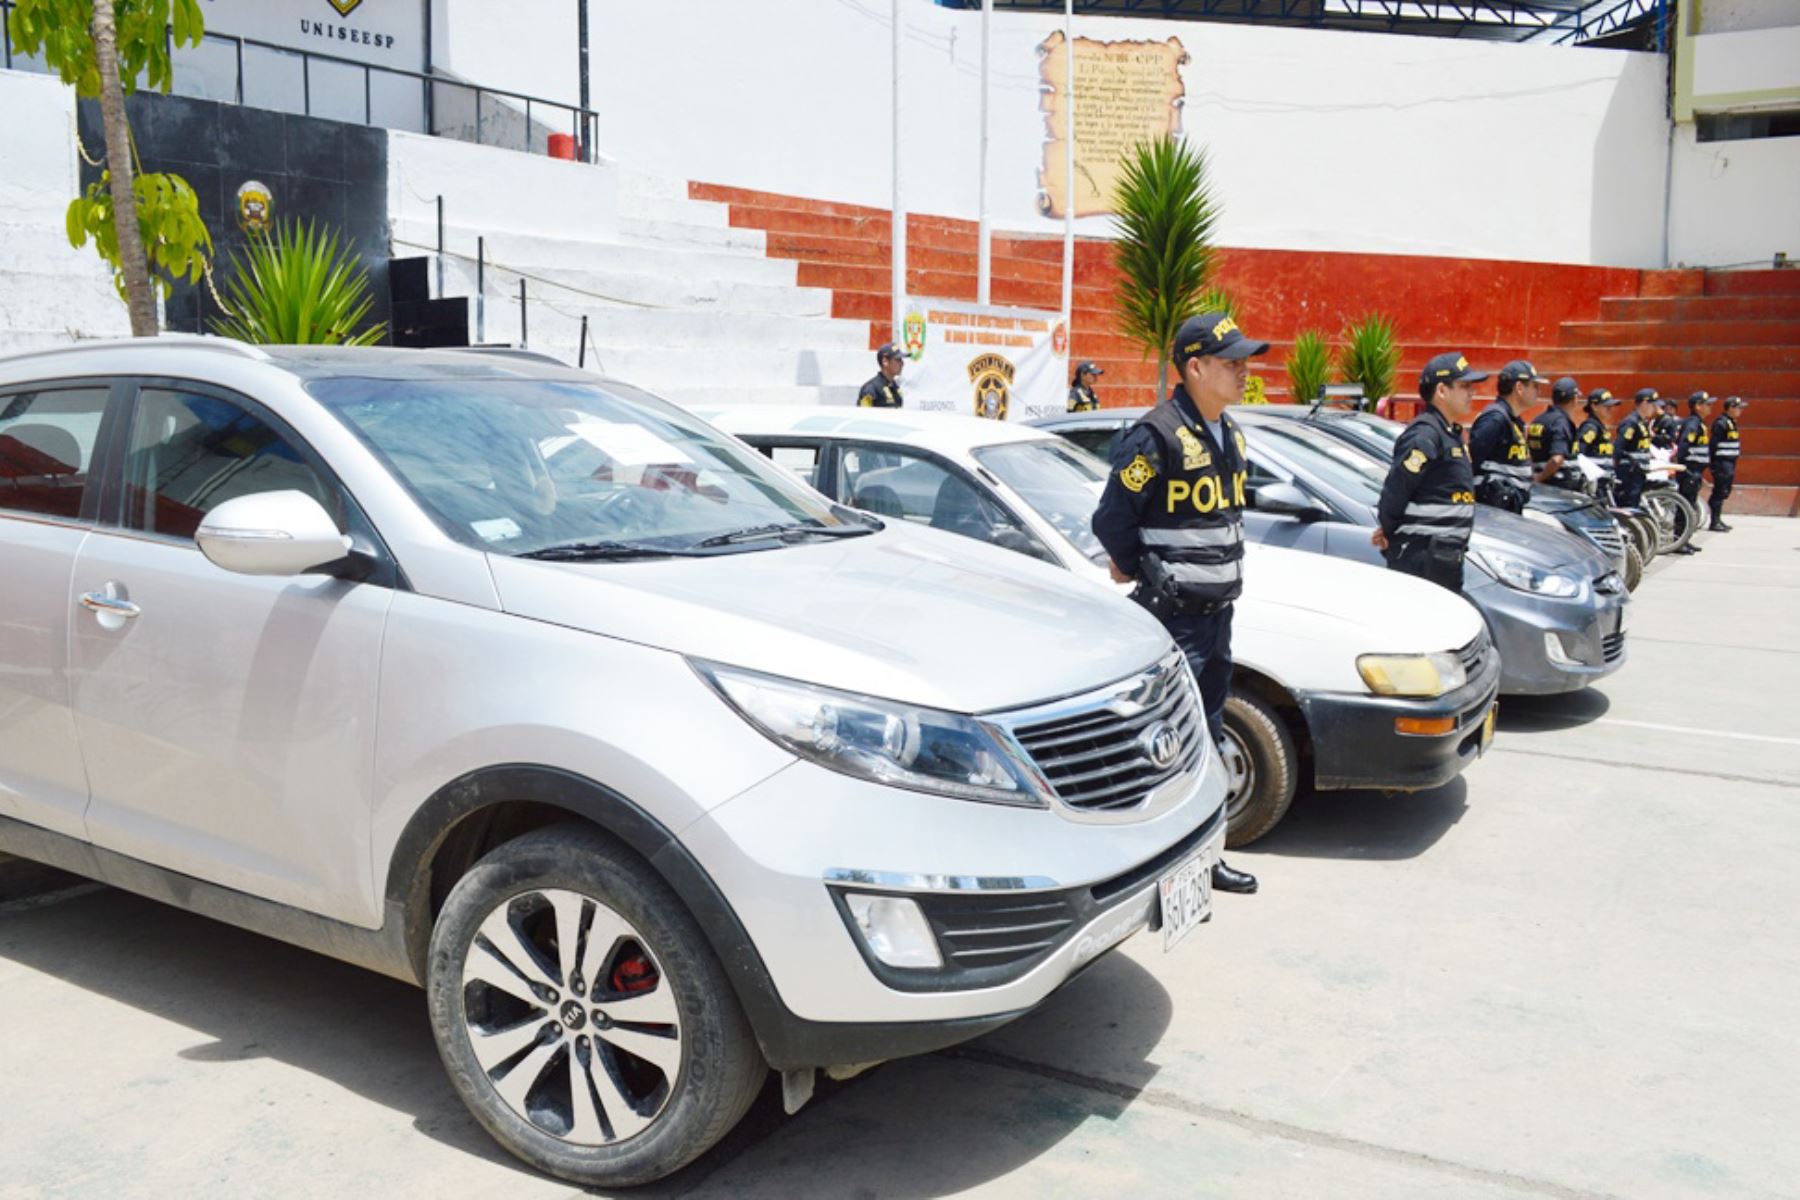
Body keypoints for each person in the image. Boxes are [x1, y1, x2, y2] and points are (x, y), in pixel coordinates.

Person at [1092, 311, 1264, 897]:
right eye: (1232, 363)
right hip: (1173, 618)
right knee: (1164, 741)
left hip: (1217, 618)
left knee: (1209, 734)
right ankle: (1145, 865)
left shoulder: (1228, 431)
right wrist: (1136, 566)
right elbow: (1112, 516)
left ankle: (1206, 855)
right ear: (1195, 367)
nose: (1244, 372)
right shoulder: (1156, 434)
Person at [1372, 352, 1483, 592]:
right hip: (1422, 556)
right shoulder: (1425, 435)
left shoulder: (1448, 432)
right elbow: (1397, 489)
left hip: (1443, 556)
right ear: (1442, 391)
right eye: (1464, 386)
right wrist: (1389, 531)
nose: (1472, 392)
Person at [1468, 360, 1543, 512]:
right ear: (1519, 388)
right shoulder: (1495, 419)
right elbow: (1470, 462)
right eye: (1535, 386)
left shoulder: (1513, 420)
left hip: (1509, 509)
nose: (1539, 392)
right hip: (1493, 512)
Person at [1526, 376, 1582, 486]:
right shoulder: (1561, 422)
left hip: (1541, 486)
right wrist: (1541, 477)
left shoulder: (1538, 419)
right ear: (1575, 399)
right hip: (1559, 487)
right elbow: (1557, 459)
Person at [1613, 388, 1660, 507]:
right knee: (1628, 505)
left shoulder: (1641, 422)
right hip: (1629, 472)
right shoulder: (1631, 423)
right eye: (1653, 404)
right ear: (1644, 403)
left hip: (1638, 472)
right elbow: (1619, 446)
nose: (1655, 408)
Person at [1709, 396, 1746, 531]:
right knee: (1719, 491)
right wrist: (1713, 465)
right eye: (1738, 408)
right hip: (1722, 463)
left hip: (1729, 462)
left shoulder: (1731, 422)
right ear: (1730, 407)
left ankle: (1718, 519)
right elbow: (1713, 445)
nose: (1740, 411)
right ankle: (1714, 521)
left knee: (1725, 490)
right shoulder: (1721, 423)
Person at [1675, 390, 1716, 513]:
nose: (1711, 407)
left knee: (1691, 500)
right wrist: (1685, 468)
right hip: (1690, 470)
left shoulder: (1699, 423)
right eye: (1707, 404)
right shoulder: (1693, 423)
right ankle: (1681, 529)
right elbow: (1683, 445)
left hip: (1696, 470)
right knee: (1686, 502)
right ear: (1698, 406)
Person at [1575, 388, 1620, 467]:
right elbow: (1579, 452)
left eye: (1611, 406)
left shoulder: (1600, 427)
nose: (1610, 409)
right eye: (1607, 406)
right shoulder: (1591, 428)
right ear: (1594, 406)